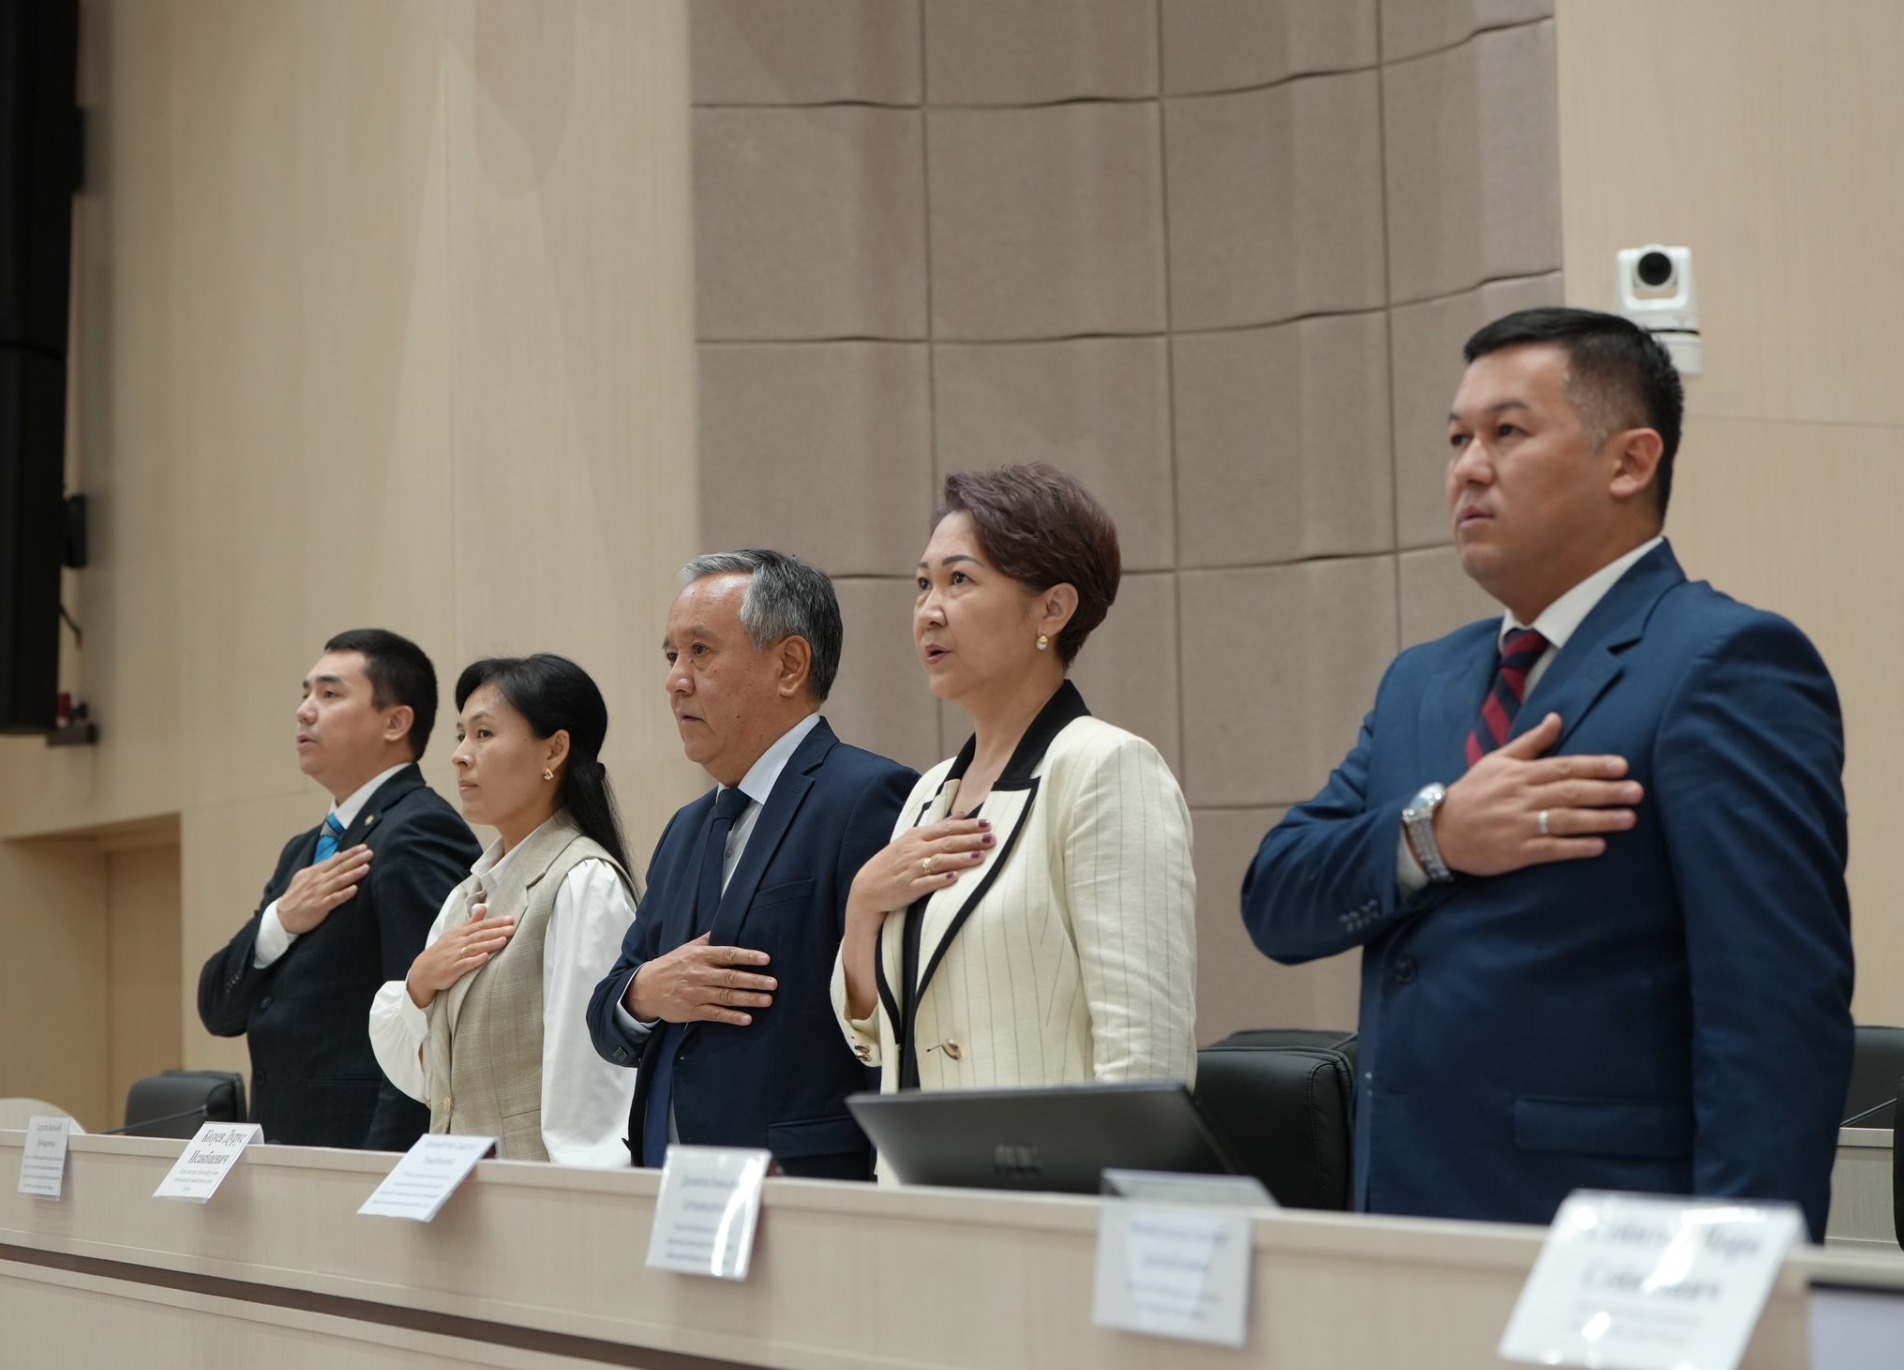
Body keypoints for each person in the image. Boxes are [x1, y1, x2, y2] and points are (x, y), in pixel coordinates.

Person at [1242, 307, 1854, 1241]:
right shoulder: (1422, 682)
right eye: (1457, 438)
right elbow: (1278, 896)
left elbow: (1774, 1021)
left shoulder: (1724, 664)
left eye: (1507, 432)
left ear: (1630, 462)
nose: (1468, 467)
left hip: (1605, 1242)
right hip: (1404, 1232)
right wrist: (1435, 836)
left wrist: (1740, 1279)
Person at [833, 464, 1197, 1102]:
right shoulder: (929, 793)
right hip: (918, 1163)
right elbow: (873, 1040)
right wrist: (862, 908)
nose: (928, 612)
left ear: (1052, 608)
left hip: (1045, 1167)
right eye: (922, 585)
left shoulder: (1106, 769)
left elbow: (1145, 1057)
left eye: (959, 580)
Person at [585, 551, 916, 1178]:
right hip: (669, 1188)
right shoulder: (685, 829)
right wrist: (647, 992)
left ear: (789, 665)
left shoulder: (868, 798)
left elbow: (894, 1024)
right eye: (670, 656)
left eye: (700, 652)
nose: (675, 680)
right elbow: (607, 1011)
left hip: (802, 1188)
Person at [197, 629, 480, 1149]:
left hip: (359, 1157)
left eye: (329, 694)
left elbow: (430, 1021)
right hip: (287, 1148)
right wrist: (279, 922)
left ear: (395, 722)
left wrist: (387, 1169)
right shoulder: (304, 849)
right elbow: (219, 1009)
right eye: (306, 693)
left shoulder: (417, 830)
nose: (305, 710)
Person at [369, 654, 638, 1166]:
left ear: (554, 750)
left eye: (484, 733)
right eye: (460, 735)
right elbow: (430, 1082)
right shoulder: (465, 897)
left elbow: (592, 1093)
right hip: (460, 1192)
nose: (459, 755)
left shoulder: (583, 881)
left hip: (538, 1198)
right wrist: (418, 984)